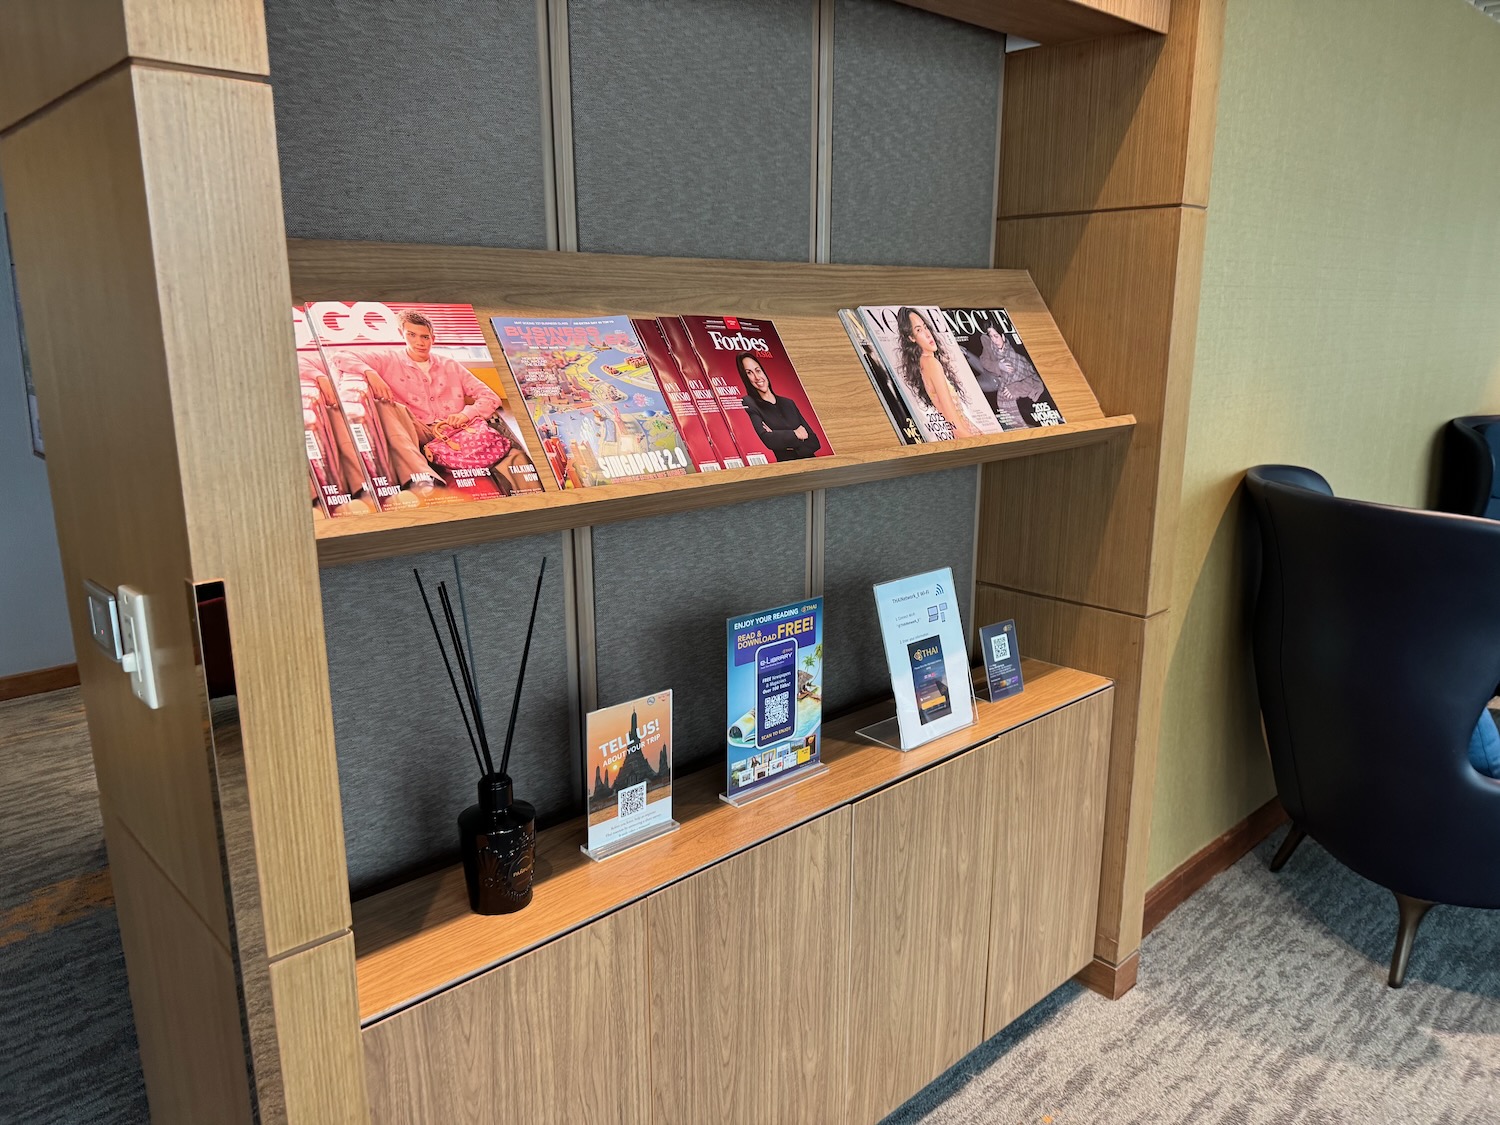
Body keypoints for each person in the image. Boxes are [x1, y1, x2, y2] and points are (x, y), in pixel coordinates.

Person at [332, 308, 508, 490]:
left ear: (433, 338)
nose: (419, 342)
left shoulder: (450, 365)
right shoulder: (388, 359)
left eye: (425, 337)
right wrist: (370, 373)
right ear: (402, 334)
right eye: (412, 335)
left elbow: (489, 397)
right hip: (415, 428)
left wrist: (466, 414)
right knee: (385, 406)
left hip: (453, 431)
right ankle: (423, 478)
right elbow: (340, 356)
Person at [894, 307, 981, 439]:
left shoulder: (923, 363)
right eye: (918, 330)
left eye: (925, 327)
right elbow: (952, 417)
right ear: (911, 337)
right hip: (964, 433)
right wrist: (970, 439)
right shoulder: (931, 364)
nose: (928, 334)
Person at [735, 352, 821, 461]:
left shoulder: (789, 403)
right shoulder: (749, 402)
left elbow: (815, 442)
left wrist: (781, 439)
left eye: (758, 370)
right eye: (749, 373)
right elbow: (768, 440)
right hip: (787, 467)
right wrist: (796, 434)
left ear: (763, 371)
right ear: (745, 377)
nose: (757, 377)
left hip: (813, 462)